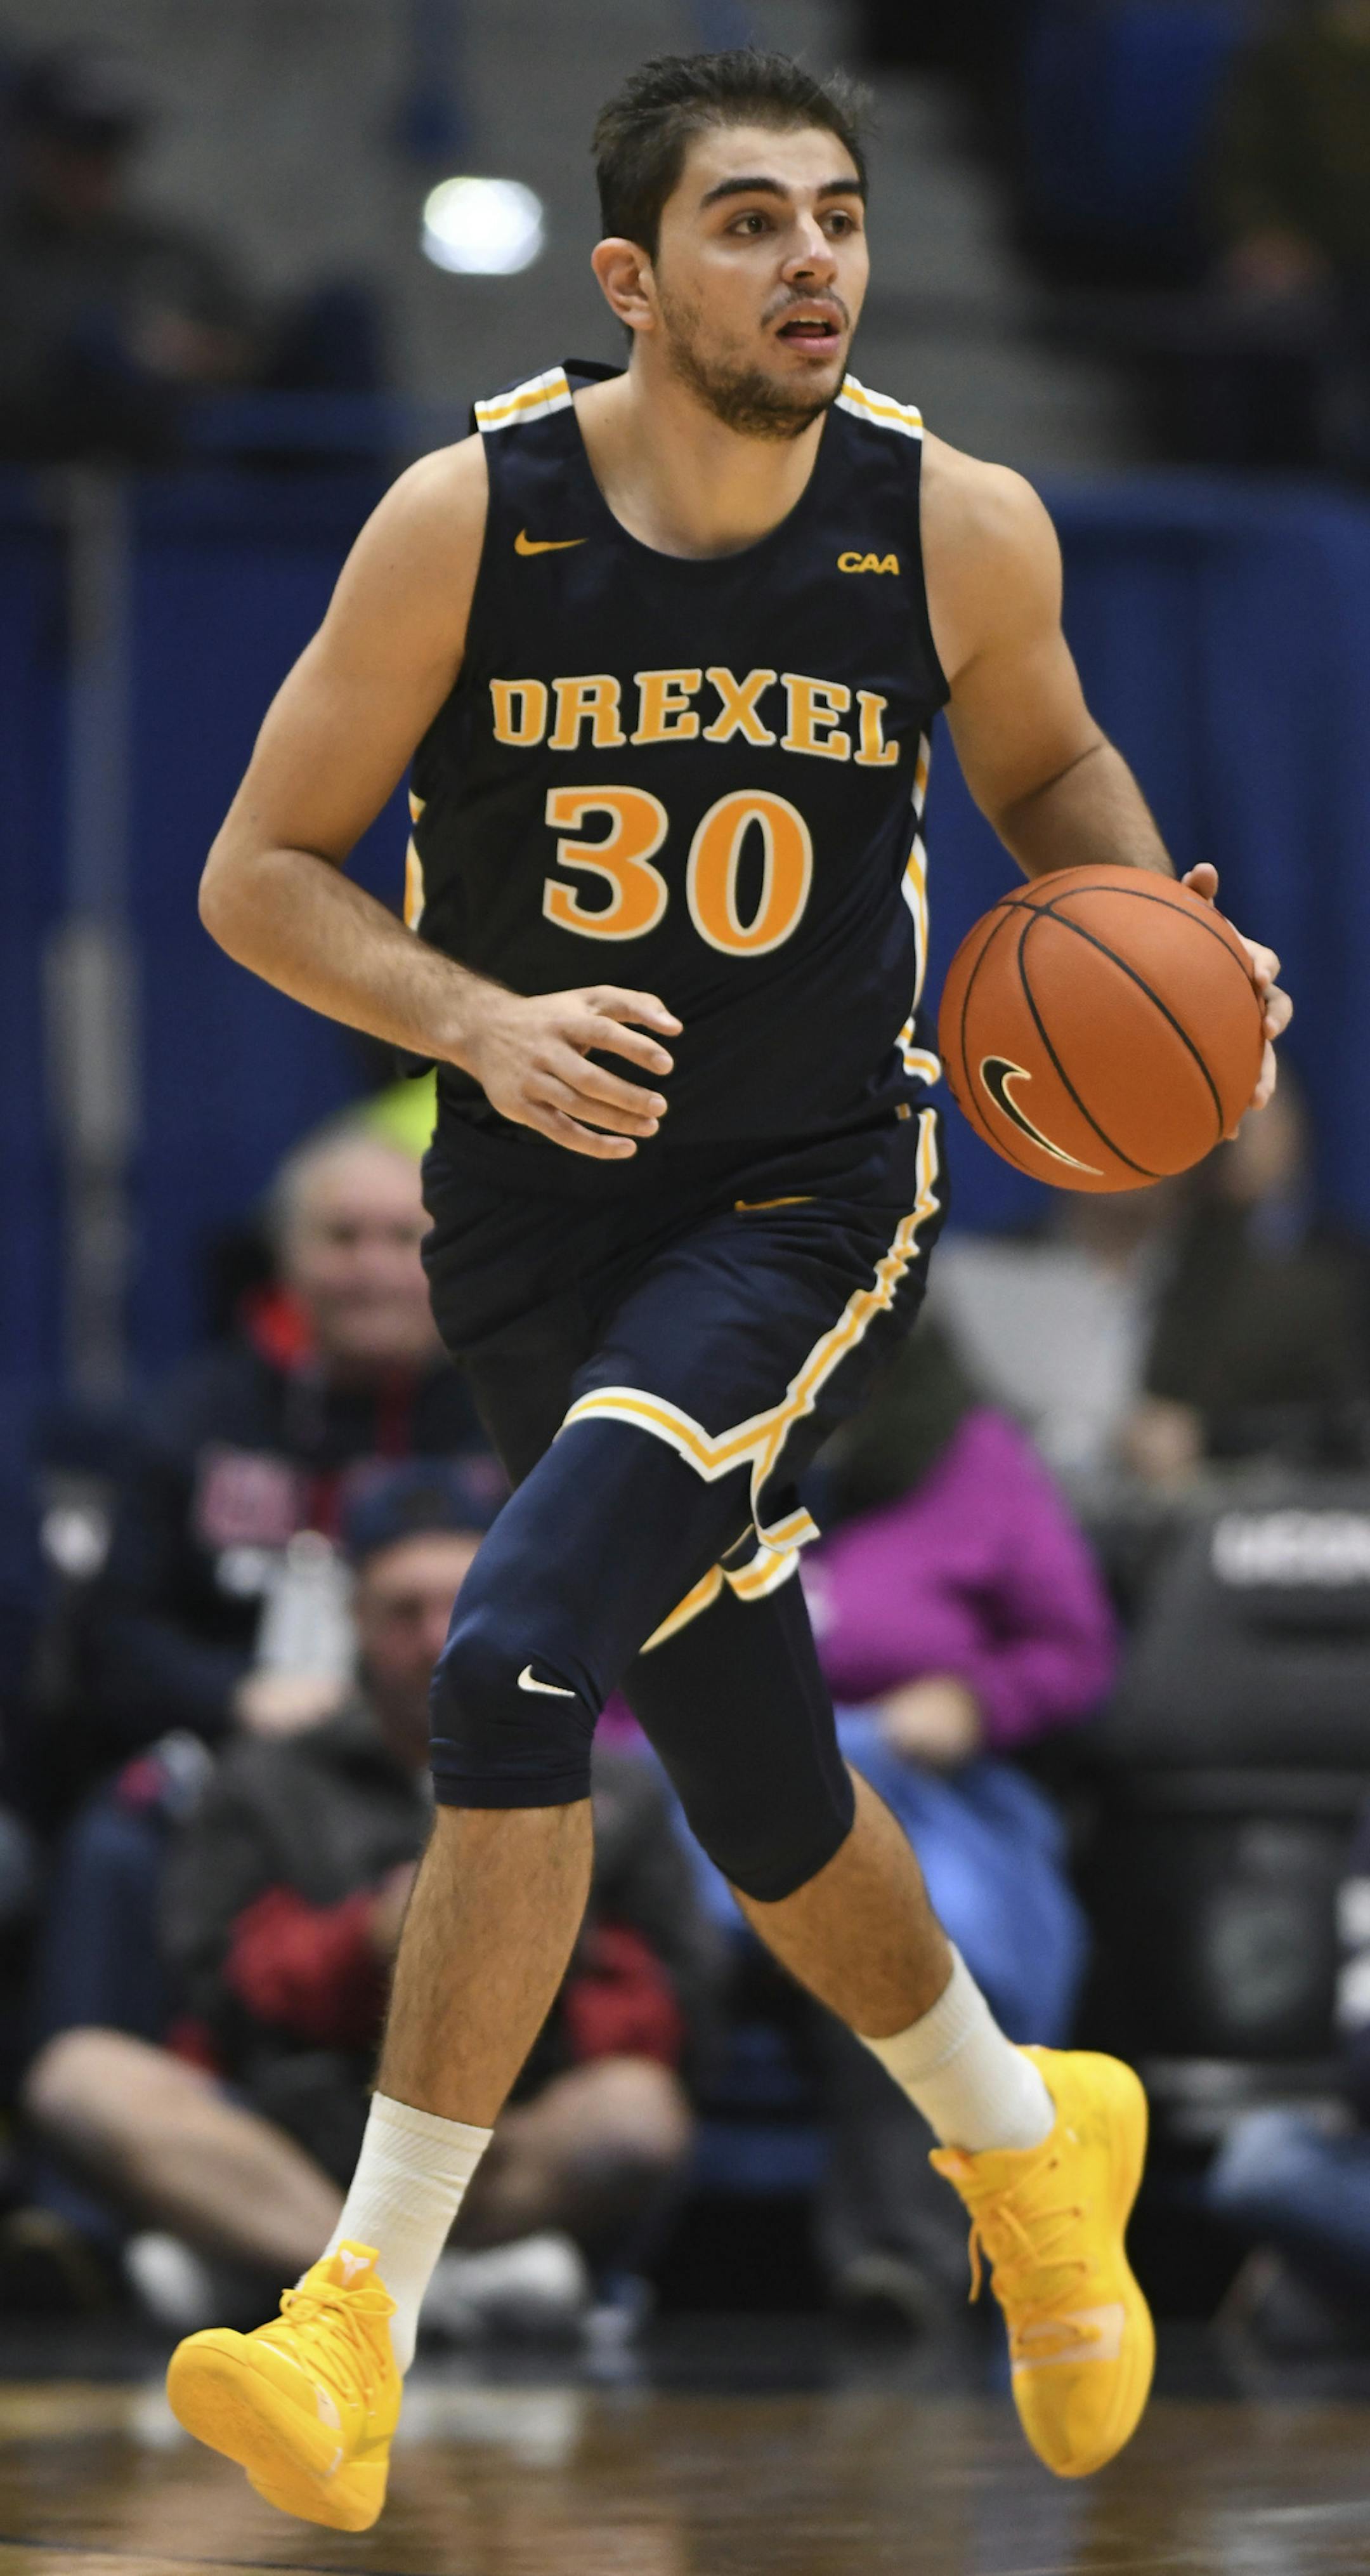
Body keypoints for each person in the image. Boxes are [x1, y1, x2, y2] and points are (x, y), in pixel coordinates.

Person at [164, 48, 1290, 2526]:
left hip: (801, 1202)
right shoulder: (469, 517)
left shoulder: (951, 524)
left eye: (846, 218)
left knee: (507, 1649)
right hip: (529, 1212)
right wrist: (471, 1014)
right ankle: (1029, 2148)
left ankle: (354, 2309)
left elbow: (1061, 780)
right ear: (632, 277)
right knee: (763, 1774)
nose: (817, 264)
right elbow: (262, 869)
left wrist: (1173, 946)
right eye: (758, 221)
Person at [23, 1466, 705, 2339]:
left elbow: (678, 2009)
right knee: (79, 2078)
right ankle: (423, 2297)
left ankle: (288, 2282)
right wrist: (366, 1945)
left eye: (458, 1602)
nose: (433, 1637)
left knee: (638, 2112)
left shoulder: (612, 1791)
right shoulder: (263, 1778)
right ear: (352, 1619)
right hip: (287, 2139)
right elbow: (210, 1996)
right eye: (401, 1611)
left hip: (496, 2144)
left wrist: (521, 1949)